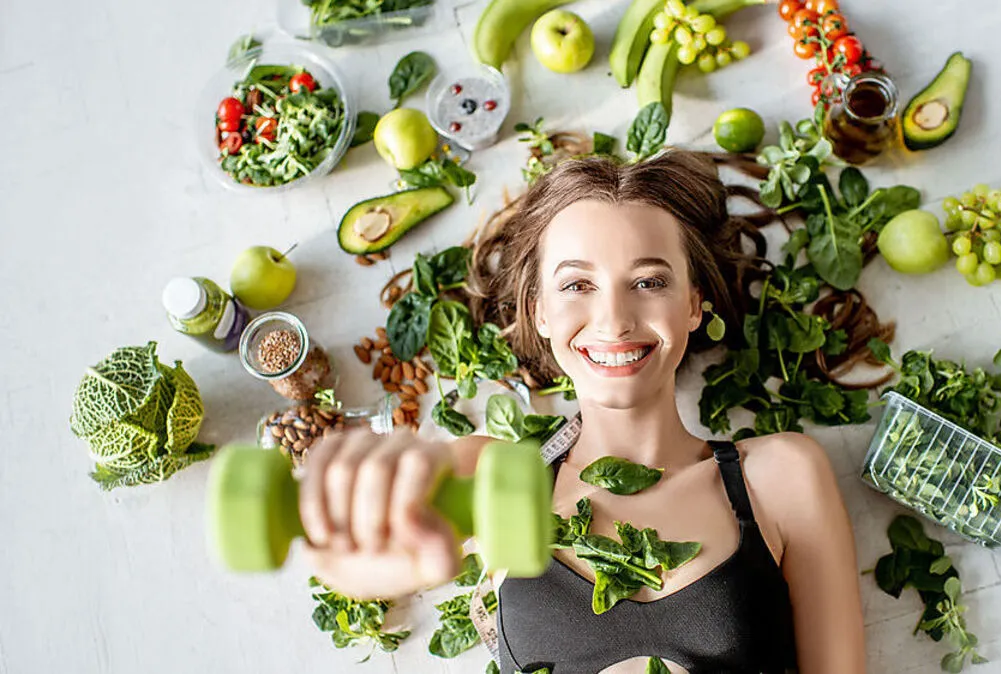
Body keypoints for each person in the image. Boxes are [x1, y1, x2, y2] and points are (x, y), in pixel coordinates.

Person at [300, 150, 867, 674]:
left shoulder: (779, 477)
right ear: (541, 313)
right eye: (577, 284)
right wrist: (382, 546)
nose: (614, 319)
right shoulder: (496, 477)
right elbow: (360, 560)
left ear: (693, 304)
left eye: (648, 281)